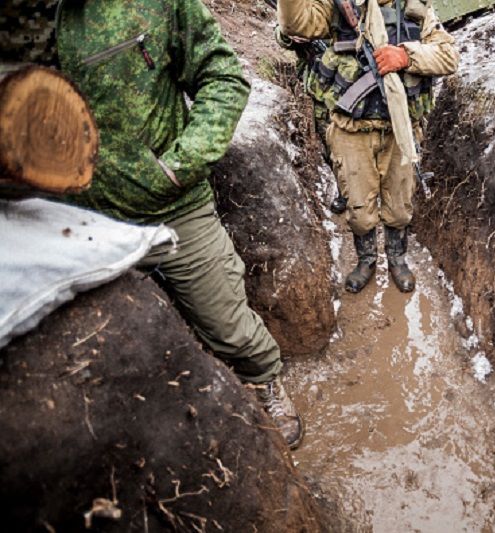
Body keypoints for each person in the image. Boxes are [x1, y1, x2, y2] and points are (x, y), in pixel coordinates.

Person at [0, 0, 303, 449]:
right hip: (45, 223)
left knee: (226, 324)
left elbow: (223, 74)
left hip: (164, 203)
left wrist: (179, 166)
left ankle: (263, 380)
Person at [277, 0, 459, 293]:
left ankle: (397, 259)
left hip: (401, 131)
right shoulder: (338, 6)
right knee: (360, 211)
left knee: (399, 209)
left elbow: (449, 56)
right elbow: (295, 25)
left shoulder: (415, 8)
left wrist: (406, 56)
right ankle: (367, 260)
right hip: (351, 130)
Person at [274, 25, 348, 214]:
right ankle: (344, 191)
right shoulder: (309, 11)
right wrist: (290, 35)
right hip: (318, 87)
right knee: (328, 145)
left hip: (346, 84)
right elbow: (282, 37)